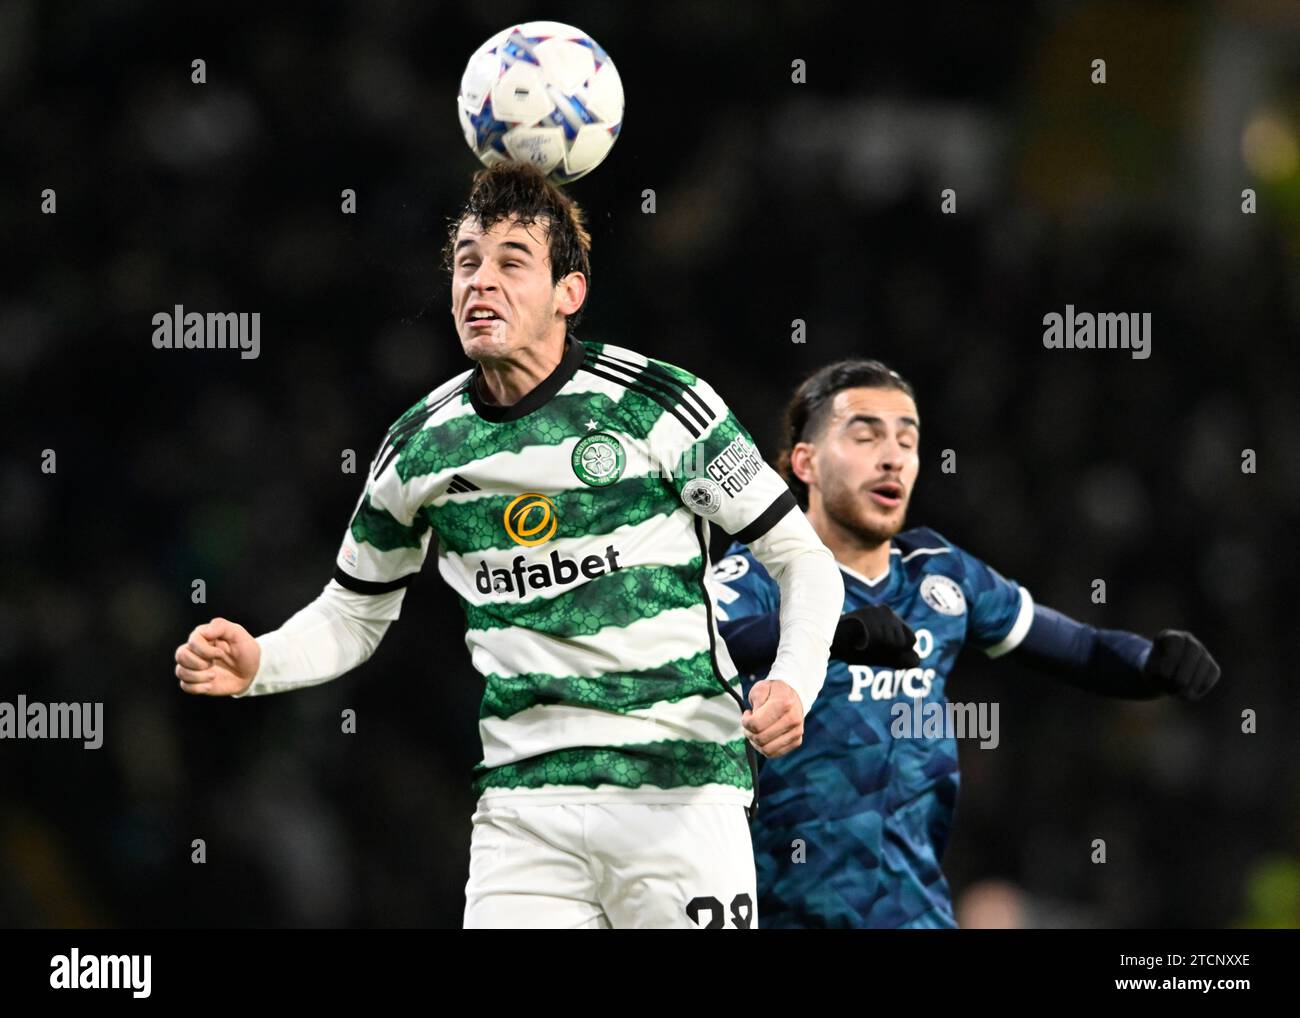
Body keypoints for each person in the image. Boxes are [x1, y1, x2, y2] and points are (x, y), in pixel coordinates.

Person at [173, 161, 845, 929]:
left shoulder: (658, 407)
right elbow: (354, 612)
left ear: (569, 292)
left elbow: (801, 560)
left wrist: (792, 683)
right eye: (467, 263)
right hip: (523, 812)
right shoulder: (421, 448)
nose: (480, 283)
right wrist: (260, 662)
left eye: (511, 263)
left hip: (679, 792)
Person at [711, 358, 1222, 928]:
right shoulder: (758, 575)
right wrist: (829, 633)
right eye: (866, 437)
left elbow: (1080, 650)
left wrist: (1151, 663)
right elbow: (700, 648)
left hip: (917, 916)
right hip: (782, 913)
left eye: (907, 440)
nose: (892, 457)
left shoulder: (940, 575)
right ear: (805, 462)